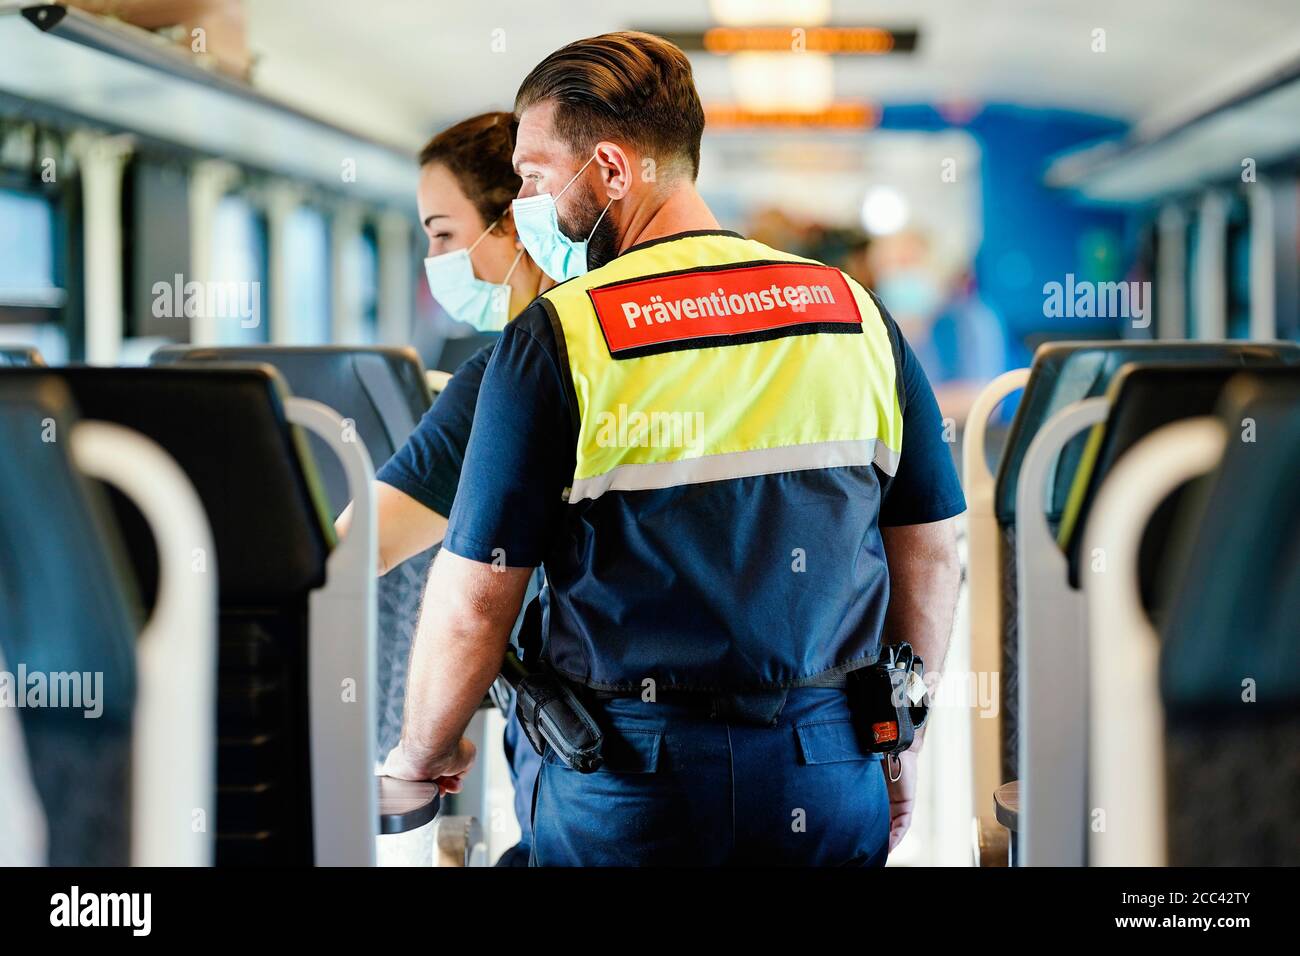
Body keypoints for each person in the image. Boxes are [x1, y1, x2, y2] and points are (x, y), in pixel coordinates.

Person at [384, 32, 965, 866]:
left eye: (536, 176)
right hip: (828, 773)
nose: (525, 202)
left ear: (614, 171)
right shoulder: (856, 317)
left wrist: (422, 753)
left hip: (627, 786)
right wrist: (898, 732)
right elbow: (934, 552)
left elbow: (478, 599)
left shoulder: (559, 339)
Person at [335, 111, 547, 866]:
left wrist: (420, 739)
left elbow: (358, 549)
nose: (434, 258)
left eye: (443, 233)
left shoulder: (501, 380)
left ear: (514, 228)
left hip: (579, 763)